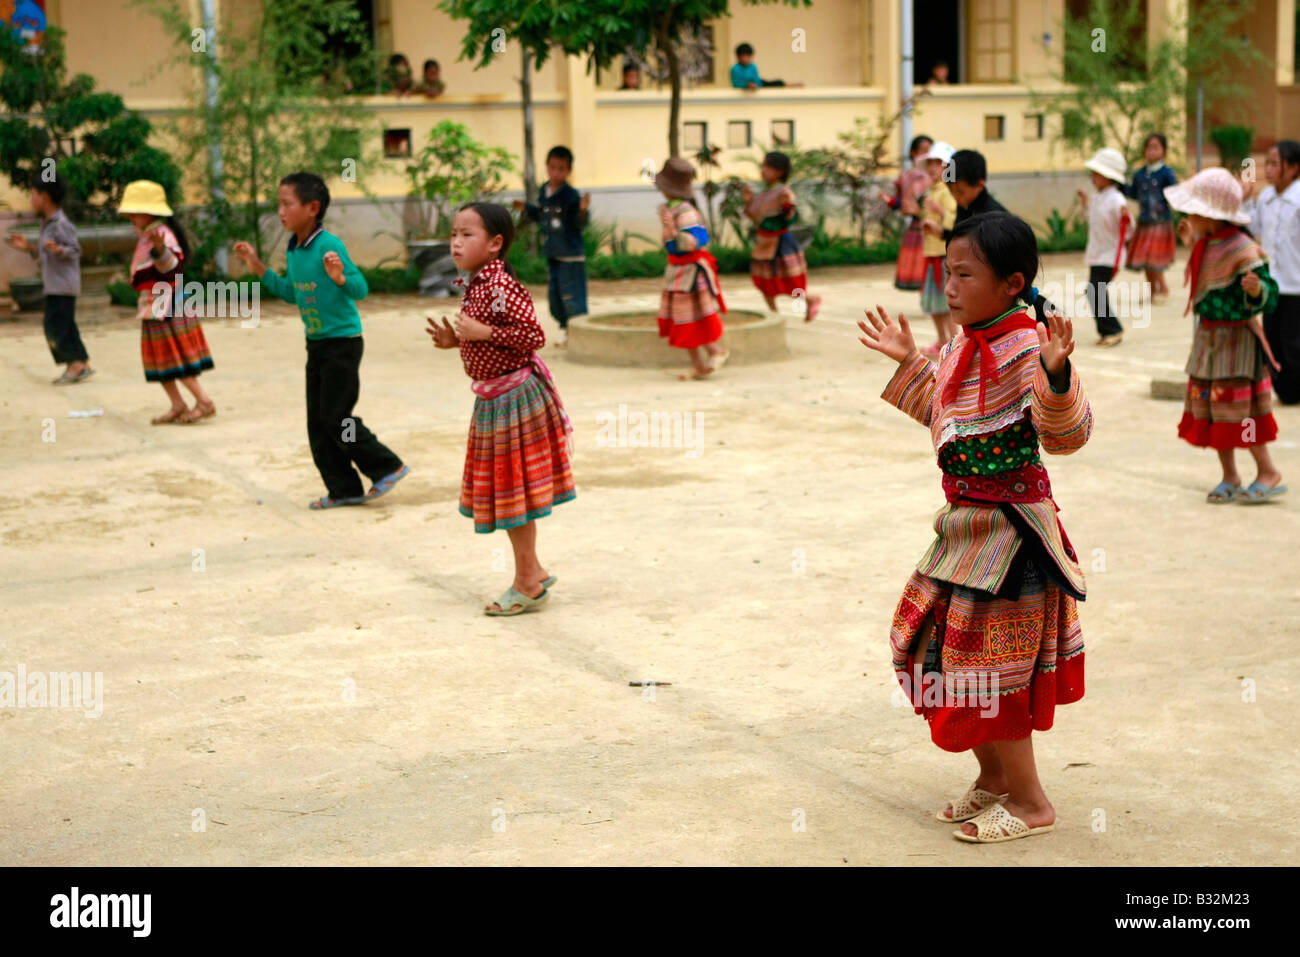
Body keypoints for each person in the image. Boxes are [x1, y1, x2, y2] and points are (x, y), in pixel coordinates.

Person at [858, 211, 1091, 844]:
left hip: (1014, 536)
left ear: (1012, 282)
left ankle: (1033, 802)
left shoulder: (1026, 347)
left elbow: (1065, 436)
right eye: (947, 272)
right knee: (934, 646)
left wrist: (1058, 377)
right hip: (963, 529)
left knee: (993, 669)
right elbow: (948, 413)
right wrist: (910, 360)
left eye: (964, 274)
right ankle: (993, 779)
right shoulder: (962, 341)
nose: (950, 286)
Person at [425, 202, 575, 615]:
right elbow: (495, 339)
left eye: (467, 234)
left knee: (514, 493)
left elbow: (532, 334)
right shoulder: (477, 282)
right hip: (496, 399)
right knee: (514, 493)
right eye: (454, 233)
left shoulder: (499, 286)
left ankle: (527, 581)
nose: (456, 242)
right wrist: (459, 341)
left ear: (495, 244)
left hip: (514, 402)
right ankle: (534, 570)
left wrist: (483, 331)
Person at [233, 172, 408, 510]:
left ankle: (386, 465)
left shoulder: (329, 245)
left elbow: (361, 290)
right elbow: (290, 292)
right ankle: (343, 489)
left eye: (287, 204)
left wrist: (341, 277)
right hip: (316, 345)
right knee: (318, 422)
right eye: (279, 204)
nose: (281, 212)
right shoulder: (295, 249)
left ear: (312, 208)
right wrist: (257, 266)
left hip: (343, 343)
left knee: (337, 417)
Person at [1165, 167, 1285, 503]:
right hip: (1210, 342)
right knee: (1216, 412)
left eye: (1194, 209)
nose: (1189, 214)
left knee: (1240, 414)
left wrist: (1257, 289)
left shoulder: (1243, 249)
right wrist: (1191, 242)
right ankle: (1230, 475)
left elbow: (1271, 294)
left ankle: (1267, 470)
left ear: (1209, 214)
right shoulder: (1208, 243)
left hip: (1237, 345)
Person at [119, 180, 216, 424]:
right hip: (155, 305)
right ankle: (178, 404)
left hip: (168, 305)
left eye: (134, 210)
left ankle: (204, 402)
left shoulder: (162, 235)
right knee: (159, 359)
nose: (130, 215)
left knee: (175, 359)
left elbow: (172, 266)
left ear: (150, 212)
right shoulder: (148, 234)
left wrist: (161, 250)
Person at [6, 177, 92, 384]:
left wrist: (60, 250)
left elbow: (76, 251)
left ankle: (75, 364)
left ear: (44, 197)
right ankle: (82, 362)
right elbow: (46, 256)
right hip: (55, 284)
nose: (30, 199)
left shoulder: (61, 224)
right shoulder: (46, 223)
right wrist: (30, 248)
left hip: (62, 285)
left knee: (53, 326)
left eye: (32, 194)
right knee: (66, 325)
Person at [653, 158, 728, 380]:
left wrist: (672, 229)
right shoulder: (669, 209)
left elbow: (697, 240)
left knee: (693, 318)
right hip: (677, 272)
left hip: (690, 273)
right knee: (683, 319)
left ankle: (715, 351)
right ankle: (698, 363)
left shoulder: (687, 212)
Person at [512, 146, 590, 347]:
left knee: (571, 295)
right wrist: (526, 209)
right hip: (552, 253)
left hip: (570, 255)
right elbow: (541, 215)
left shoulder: (571, 196)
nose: (556, 173)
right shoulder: (544, 190)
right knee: (555, 298)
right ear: (547, 167)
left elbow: (579, 224)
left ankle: (579, 331)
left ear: (568, 171)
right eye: (552, 168)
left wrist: (582, 211)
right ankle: (566, 329)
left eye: (561, 169)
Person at [741, 150, 821, 321]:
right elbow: (755, 218)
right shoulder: (763, 195)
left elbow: (791, 217)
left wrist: (787, 207)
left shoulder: (784, 193)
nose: (763, 170)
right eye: (763, 166)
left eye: (767, 167)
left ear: (779, 171)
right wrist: (748, 201)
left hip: (780, 243)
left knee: (790, 282)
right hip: (764, 243)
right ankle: (774, 315)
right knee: (764, 282)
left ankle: (809, 301)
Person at [1252, 140, 1300, 405]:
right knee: (1272, 341)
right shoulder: (1265, 197)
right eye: (1266, 163)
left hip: (1296, 285)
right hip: (1271, 284)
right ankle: (1284, 389)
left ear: (1293, 168)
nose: (1268, 169)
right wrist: (1246, 200)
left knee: (1293, 343)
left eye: (1274, 163)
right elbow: (1254, 226)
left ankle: (1293, 391)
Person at [1077, 147, 1131, 347]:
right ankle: (1108, 330)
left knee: (1094, 290)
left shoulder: (1117, 200)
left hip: (1109, 255)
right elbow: (1089, 220)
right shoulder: (1098, 196)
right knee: (1094, 291)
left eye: (1097, 173)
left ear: (1109, 176)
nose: (1093, 177)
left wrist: (1127, 218)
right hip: (1097, 253)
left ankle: (1112, 329)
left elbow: (1128, 227)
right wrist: (1084, 203)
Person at [1122, 133, 1178, 303]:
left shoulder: (1166, 174)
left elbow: (1174, 193)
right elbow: (1133, 193)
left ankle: (1164, 289)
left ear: (1163, 151)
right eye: (1148, 148)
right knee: (1146, 260)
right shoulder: (1140, 175)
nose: (1151, 151)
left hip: (1160, 222)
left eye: (1156, 147)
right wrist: (1119, 184)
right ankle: (1153, 291)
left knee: (1155, 258)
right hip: (1145, 222)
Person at [916, 141, 959, 354]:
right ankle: (942, 339)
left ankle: (954, 340)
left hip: (944, 253)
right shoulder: (931, 191)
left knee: (947, 300)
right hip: (931, 251)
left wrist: (939, 213)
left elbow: (957, 220)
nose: (933, 168)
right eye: (930, 163)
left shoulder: (949, 192)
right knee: (933, 300)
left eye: (938, 163)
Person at [879, 134, 933, 292]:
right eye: (923, 150)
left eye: (929, 151)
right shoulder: (907, 177)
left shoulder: (938, 175)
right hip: (919, 225)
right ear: (913, 153)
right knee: (919, 265)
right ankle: (926, 299)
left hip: (936, 225)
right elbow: (903, 203)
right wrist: (889, 201)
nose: (926, 155)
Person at [936, 150, 1007, 243]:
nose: (955, 196)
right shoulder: (964, 204)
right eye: (951, 191)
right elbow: (963, 236)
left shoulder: (994, 217)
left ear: (980, 185)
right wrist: (942, 233)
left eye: (960, 192)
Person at [729, 43, 799, 89]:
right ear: (738, 57)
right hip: (746, 86)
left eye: (748, 56)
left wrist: (755, 85)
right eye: (743, 56)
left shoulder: (753, 67)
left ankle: (791, 85)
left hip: (760, 83)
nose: (745, 59)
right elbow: (736, 83)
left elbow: (757, 80)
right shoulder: (735, 69)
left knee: (778, 82)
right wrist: (746, 85)